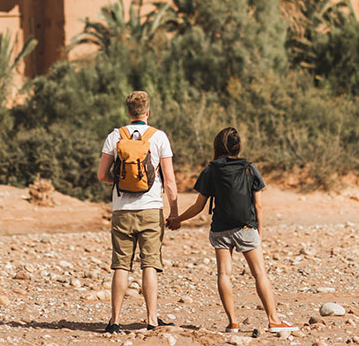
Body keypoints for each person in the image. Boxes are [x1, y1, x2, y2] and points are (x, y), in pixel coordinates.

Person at [166, 127, 297, 334]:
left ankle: (233, 323)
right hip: (246, 226)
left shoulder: (211, 170)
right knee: (259, 273)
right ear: (239, 147)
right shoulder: (249, 168)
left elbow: (198, 206)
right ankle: (273, 320)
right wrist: (258, 233)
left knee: (224, 274)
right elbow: (259, 205)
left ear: (217, 147)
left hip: (220, 228)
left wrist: (177, 219)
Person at [97, 91, 179, 333]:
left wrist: (120, 180)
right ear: (147, 112)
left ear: (128, 112)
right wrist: (174, 212)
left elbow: (102, 175)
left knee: (121, 265)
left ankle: (114, 320)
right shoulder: (159, 137)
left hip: (122, 209)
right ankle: (152, 319)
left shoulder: (115, 136)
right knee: (149, 265)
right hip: (152, 209)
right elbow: (170, 180)